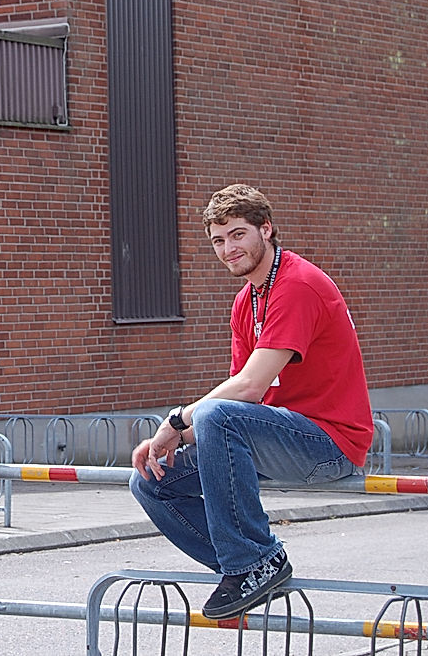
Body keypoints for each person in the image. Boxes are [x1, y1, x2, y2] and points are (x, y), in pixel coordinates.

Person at [130, 184, 373, 620]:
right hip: (275, 436)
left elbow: (244, 391)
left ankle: (253, 561)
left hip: (328, 443)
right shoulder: (247, 300)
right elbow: (247, 390)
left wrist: (174, 422)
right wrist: (178, 435)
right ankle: (250, 570)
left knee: (216, 414)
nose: (228, 249)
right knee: (152, 481)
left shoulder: (298, 285)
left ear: (267, 229)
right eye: (219, 240)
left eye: (238, 234)